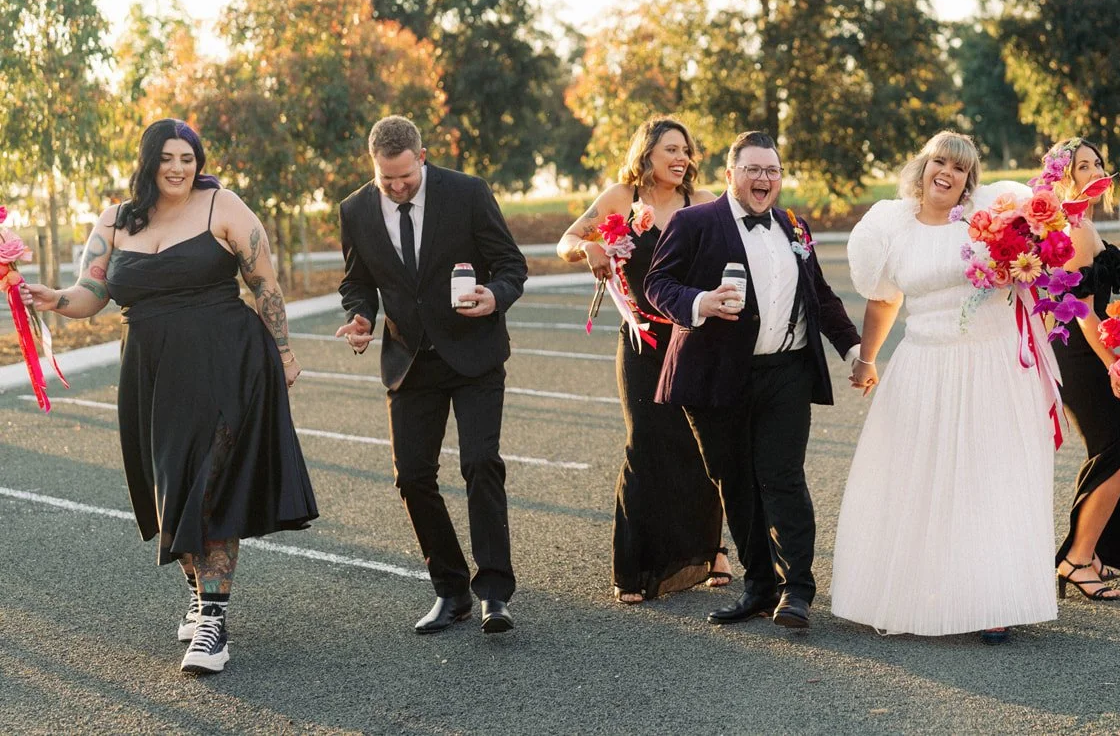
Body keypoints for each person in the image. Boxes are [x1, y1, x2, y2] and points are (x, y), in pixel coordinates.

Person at [23, 119, 317, 675]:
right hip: (150, 373)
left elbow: (266, 286)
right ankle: (199, 589)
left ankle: (213, 621)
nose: (179, 167)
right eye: (168, 157)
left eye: (188, 157)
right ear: (149, 162)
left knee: (209, 484)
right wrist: (54, 298)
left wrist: (284, 355)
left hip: (226, 362)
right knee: (170, 487)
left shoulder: (223, 206)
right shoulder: (115, 220)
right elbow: (92, 292)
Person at [831, 131, 1057, 643]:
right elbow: (884, 301)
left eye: (959, 168)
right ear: (923, 165)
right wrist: (866, 360)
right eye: (940, 162)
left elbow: (1034, 276)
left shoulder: (988, 223)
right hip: (923, 367)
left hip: (991, 366)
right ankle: (918, 595)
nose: (947, 173)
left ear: (968, 181)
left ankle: (993, 600)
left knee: (988, 479)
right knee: (921, 478)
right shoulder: (892, 228)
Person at [644, 131, 863, 631]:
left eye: (772, 170)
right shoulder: (694, 222)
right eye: (753, 169)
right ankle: (759, 587)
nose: (764, 178)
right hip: (716, 374)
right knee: (734, 481)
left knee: (782, 477)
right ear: (730, 174)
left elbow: (821, 296)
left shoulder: (793, 226)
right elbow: (659, 282)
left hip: (785, 371)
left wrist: (854, 350)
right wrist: (700, 303)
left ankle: (797, 590)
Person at [334, 116, 528, 633]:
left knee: (480, 463)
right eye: (386, 178)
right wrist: (361, 318)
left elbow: (511, 264)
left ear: (422, 156)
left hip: (474, 354)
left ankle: (494, 593)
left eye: (405, 176)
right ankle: (450, 590)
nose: (397, 187)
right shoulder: (354, 210)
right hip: (409, 360)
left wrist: (495, 297)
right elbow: (357, 282)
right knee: (413, 477)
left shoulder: (468, 192)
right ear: (373, 166)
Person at [556, 116, 732, 603]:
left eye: (686, 151)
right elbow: (566, 241)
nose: (682, 158)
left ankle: (709, 551)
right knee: (645, 442)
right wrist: (591, 245)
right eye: (671, 149)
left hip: (694, 340)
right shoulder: (621, 198)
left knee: (700, 445)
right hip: (641, 340)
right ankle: (632, 567)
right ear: (647, 152)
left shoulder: (700, 204)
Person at [1050, 139, 1120, 601]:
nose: (1095, 171)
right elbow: (1082, 313)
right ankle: (1076, 560)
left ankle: (1092, 553)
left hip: (1084, 349)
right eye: (1082, 166)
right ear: (1064, 177)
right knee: (1117, 454)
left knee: (1114, 452)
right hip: (1082, 355)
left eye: (1098, 162)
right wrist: (1113, 365)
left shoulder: (1080, 224)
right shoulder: (1076, 230)